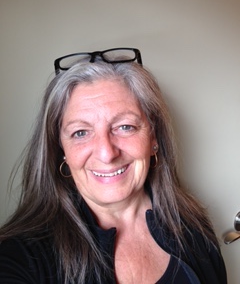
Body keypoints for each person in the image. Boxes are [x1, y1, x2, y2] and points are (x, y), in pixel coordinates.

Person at [0, 48, 227, 284]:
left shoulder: (193, 225)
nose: (107, 153)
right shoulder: (23, 256)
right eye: (80, 132)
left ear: (154, 139)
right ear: (61, 151)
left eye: (125, 127)